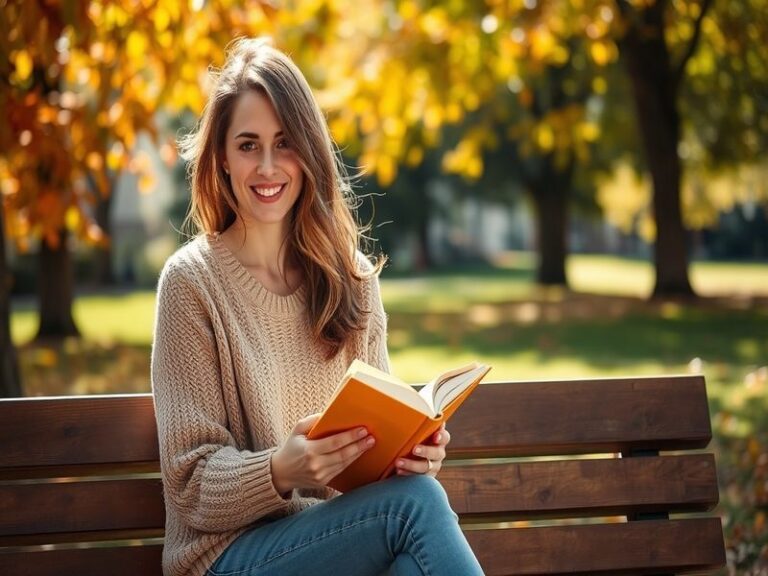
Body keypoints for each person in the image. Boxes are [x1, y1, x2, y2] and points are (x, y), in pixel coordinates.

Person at [151, 37, 483, 576]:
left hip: (340, 548)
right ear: (221, 158)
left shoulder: (349, 278)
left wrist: (412, 456)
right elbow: (189, 486)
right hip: (229, 560)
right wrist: (281, 469)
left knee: (413, 540)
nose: (266, 167)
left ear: (308, 152)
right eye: (247, 144)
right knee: (416, 508)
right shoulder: (192, 285)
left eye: (284, 143)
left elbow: (376, 456)